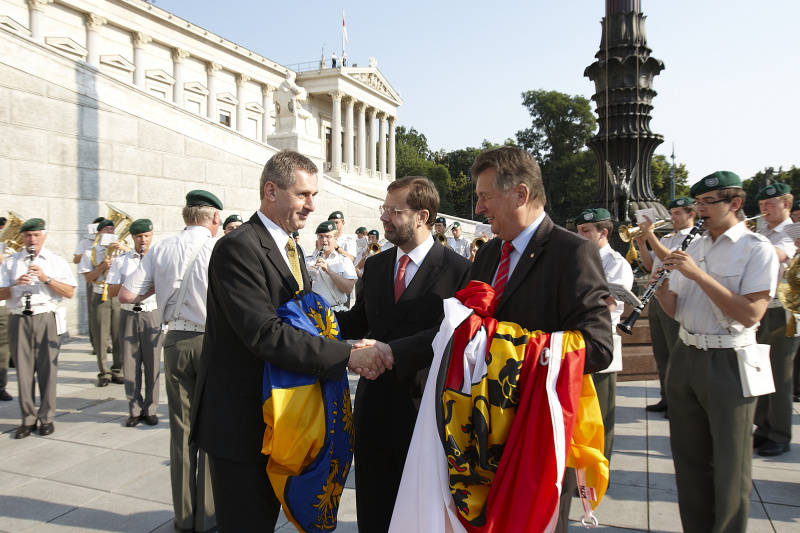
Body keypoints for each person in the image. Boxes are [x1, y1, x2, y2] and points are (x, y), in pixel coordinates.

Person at [190, 149, 388, 532]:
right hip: (242, 422)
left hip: (282, 415)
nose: (313, 206)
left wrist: (355, 336)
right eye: (303, 195)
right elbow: (264, 333)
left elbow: (306, 322)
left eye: (314, 195)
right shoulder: (237, 248)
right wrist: (346, 356)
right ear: (271, 191)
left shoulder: (291, 246)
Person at [468, 146, 613, 532]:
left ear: (520, 194)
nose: (479, 208)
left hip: (536, 430)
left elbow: (598, 347)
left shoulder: (573, 252)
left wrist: (510, 348)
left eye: (485, 196)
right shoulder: (487, 256)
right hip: (482, 425)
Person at [335, 175, 473, 533]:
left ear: (422, 216)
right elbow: (359, 320)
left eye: (393, 211)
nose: (384, 219)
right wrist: (316, 320)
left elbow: (454, 334)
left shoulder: (458, 270)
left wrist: (392, 351)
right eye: (384, 209)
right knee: (374, 507)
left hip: (425, 407)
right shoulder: (378, 265)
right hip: (375, 405)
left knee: (419, 513)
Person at [654, 171, 776, 533]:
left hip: (728, 359)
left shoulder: (757, 249)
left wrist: (698, 276)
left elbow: (752, 313)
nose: (700, 211)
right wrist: (660, 290)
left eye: (708, 203)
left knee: (729, 463)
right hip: (687, 352)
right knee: (689, 460)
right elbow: (678, 310)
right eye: (698, 204)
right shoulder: (693, 246)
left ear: (735, 204)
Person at [120, 190, 224, 533]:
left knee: (180, 431)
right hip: (209, 341)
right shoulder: (217, 248)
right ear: (213, 219)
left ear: (185, 216)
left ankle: (183, 516)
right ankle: (207, 516)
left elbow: (126, 295)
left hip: (173, 339)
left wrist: (161, 292)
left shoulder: (159, 248)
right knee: (210, 427)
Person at [0, 218, 76, 438]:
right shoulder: (12, 261)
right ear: (22, 237)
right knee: (23, 372)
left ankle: (46, 418)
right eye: (27, 236)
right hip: (18, 318)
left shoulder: (55, 260)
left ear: (44, 235)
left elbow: (69, 292)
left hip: (45, 317)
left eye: (35, 235)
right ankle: (28, 418)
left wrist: (46, 278)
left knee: (47, 370)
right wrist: (16, 286)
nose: (31, 240)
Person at [575, 208, 634, 465]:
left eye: (586, 231)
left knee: (600, 410)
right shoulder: (576, 258)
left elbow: (606, 303)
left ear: (604, 233)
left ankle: (599, 468)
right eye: (578, 231)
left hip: (601, 339)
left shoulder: (616, 263)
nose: (580, 236)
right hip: (576, 338)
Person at [634, 197, 697, 416]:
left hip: (676, 298)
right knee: (662, 354)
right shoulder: (668, 237)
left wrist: (650, 234)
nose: (673, 217)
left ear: (691, 214)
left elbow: (669, 259)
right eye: (672, 213)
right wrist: (642, 244)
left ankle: (679, 402)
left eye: (678, 213)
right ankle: (666, 397)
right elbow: (651, 264)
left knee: (676, 354)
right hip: (659, 298)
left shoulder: (695, 238)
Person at [752, 182, 798, 457]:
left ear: (786, 204)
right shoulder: (763, 232)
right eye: (761, 206)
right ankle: (764, 427)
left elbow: (775, 257)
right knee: (761, 369)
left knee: (780, 375)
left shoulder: (792, 233)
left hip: (783, 310)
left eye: (769, 204)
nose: (764, 209)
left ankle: (780, 433)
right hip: (762, 308)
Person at [106, 219, 161, 428]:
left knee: (153, 363)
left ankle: (152, 409)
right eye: (139, 237)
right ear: (132, 238)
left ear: (151, 235)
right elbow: (111, 290)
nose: (143, 240)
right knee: (130, 364)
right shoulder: (122, 261)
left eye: (146, 236)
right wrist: (132, 284)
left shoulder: (158, 259)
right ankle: (134, 410)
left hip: (151, 313)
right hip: (128, 315)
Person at [79, 219, 128, 386]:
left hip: (117, 296)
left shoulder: (122, 251)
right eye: (105, 229)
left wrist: (126, 249)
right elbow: (87, 278)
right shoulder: (89, 252)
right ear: (99, 233)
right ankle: (104, 372)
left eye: (112, 229)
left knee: (119, 335)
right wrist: (102, 267)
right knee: (101, 336)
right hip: (100, 296)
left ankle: (118, 370)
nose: (109, 232)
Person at [305, 220, 358, 311]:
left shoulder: (344, 260)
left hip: (335, 312)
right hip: (313, 313)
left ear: (336, 238)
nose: (324, 240)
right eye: (321, 236)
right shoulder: (307, 261)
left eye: (328, 237)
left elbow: (348, 289)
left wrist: (329, 271)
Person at [74, 216, 107, 355]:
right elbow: (75, 259)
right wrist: (93, 251)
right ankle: (95, 343)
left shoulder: (113, 242)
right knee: (94, 313)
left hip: (110, 282)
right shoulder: (87, 242)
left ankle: (108, 343)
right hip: (95, 280)